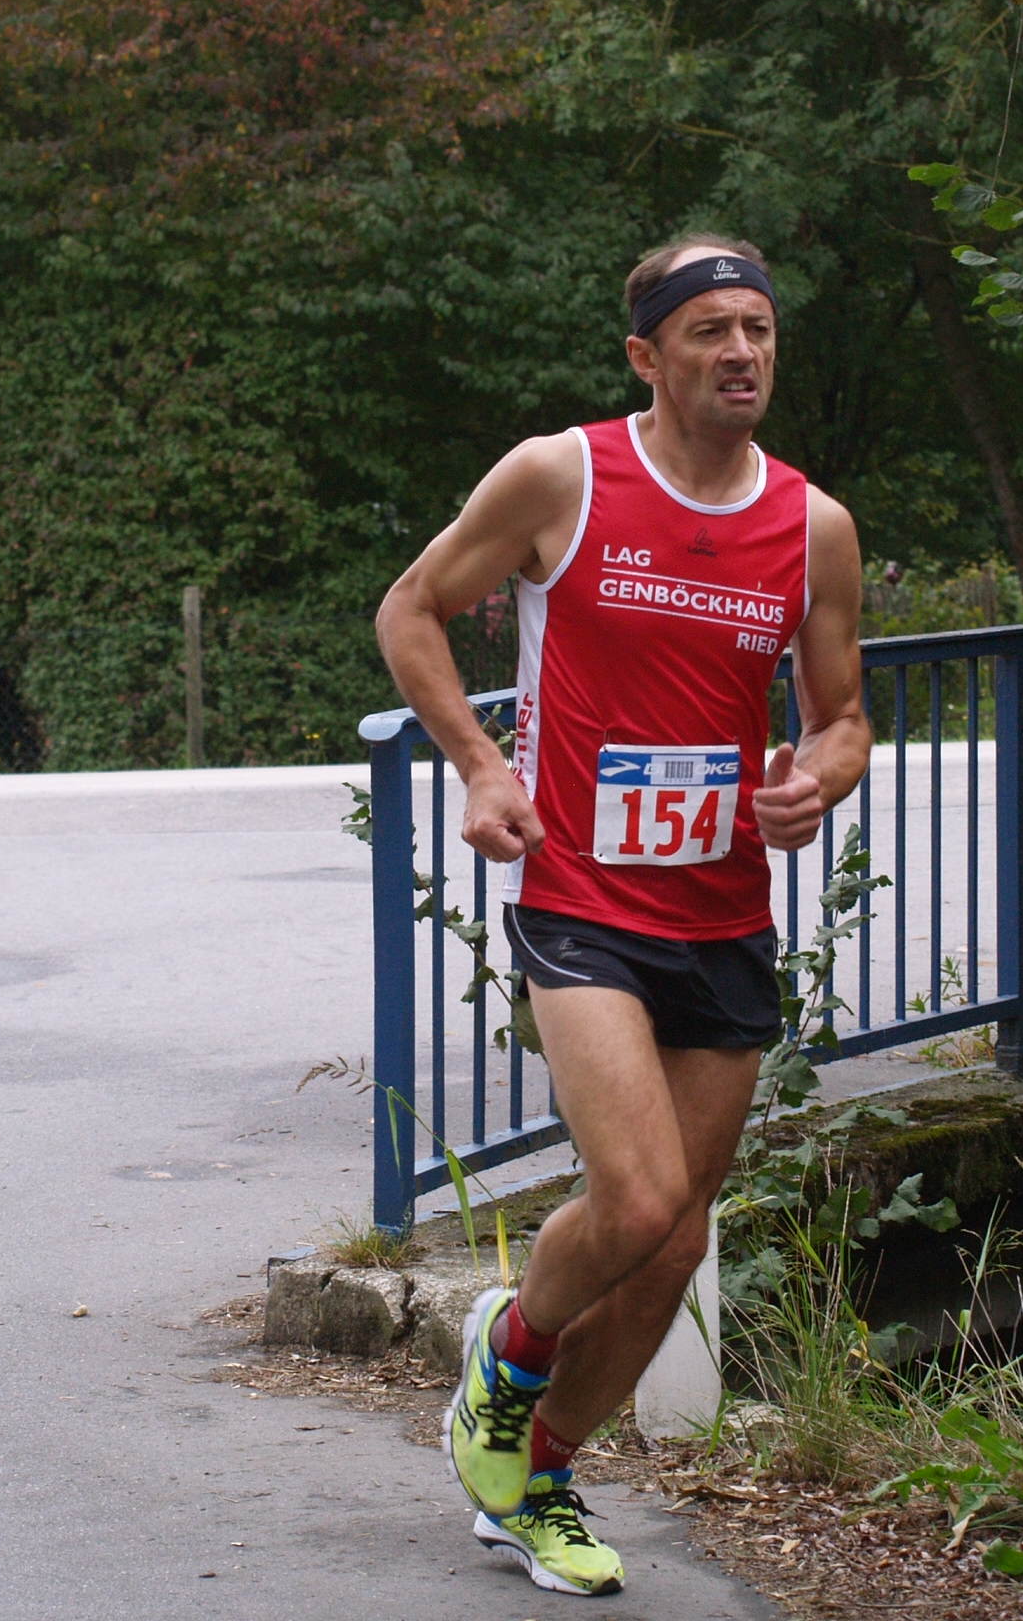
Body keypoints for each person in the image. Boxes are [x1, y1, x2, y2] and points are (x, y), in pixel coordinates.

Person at [374, 235, 871, 1596]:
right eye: (710, 330)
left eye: (758, 328)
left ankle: (538, 1477)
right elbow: (412, 609)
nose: (741, 352)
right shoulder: (564, 477)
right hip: (582, 897)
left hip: (723, 913)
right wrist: (482, 767)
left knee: (678, 1237)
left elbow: (841, 716)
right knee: (638, 1197)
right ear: (648, 355)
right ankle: (511, 1354)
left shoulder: (813, 527)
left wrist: (815, 782)